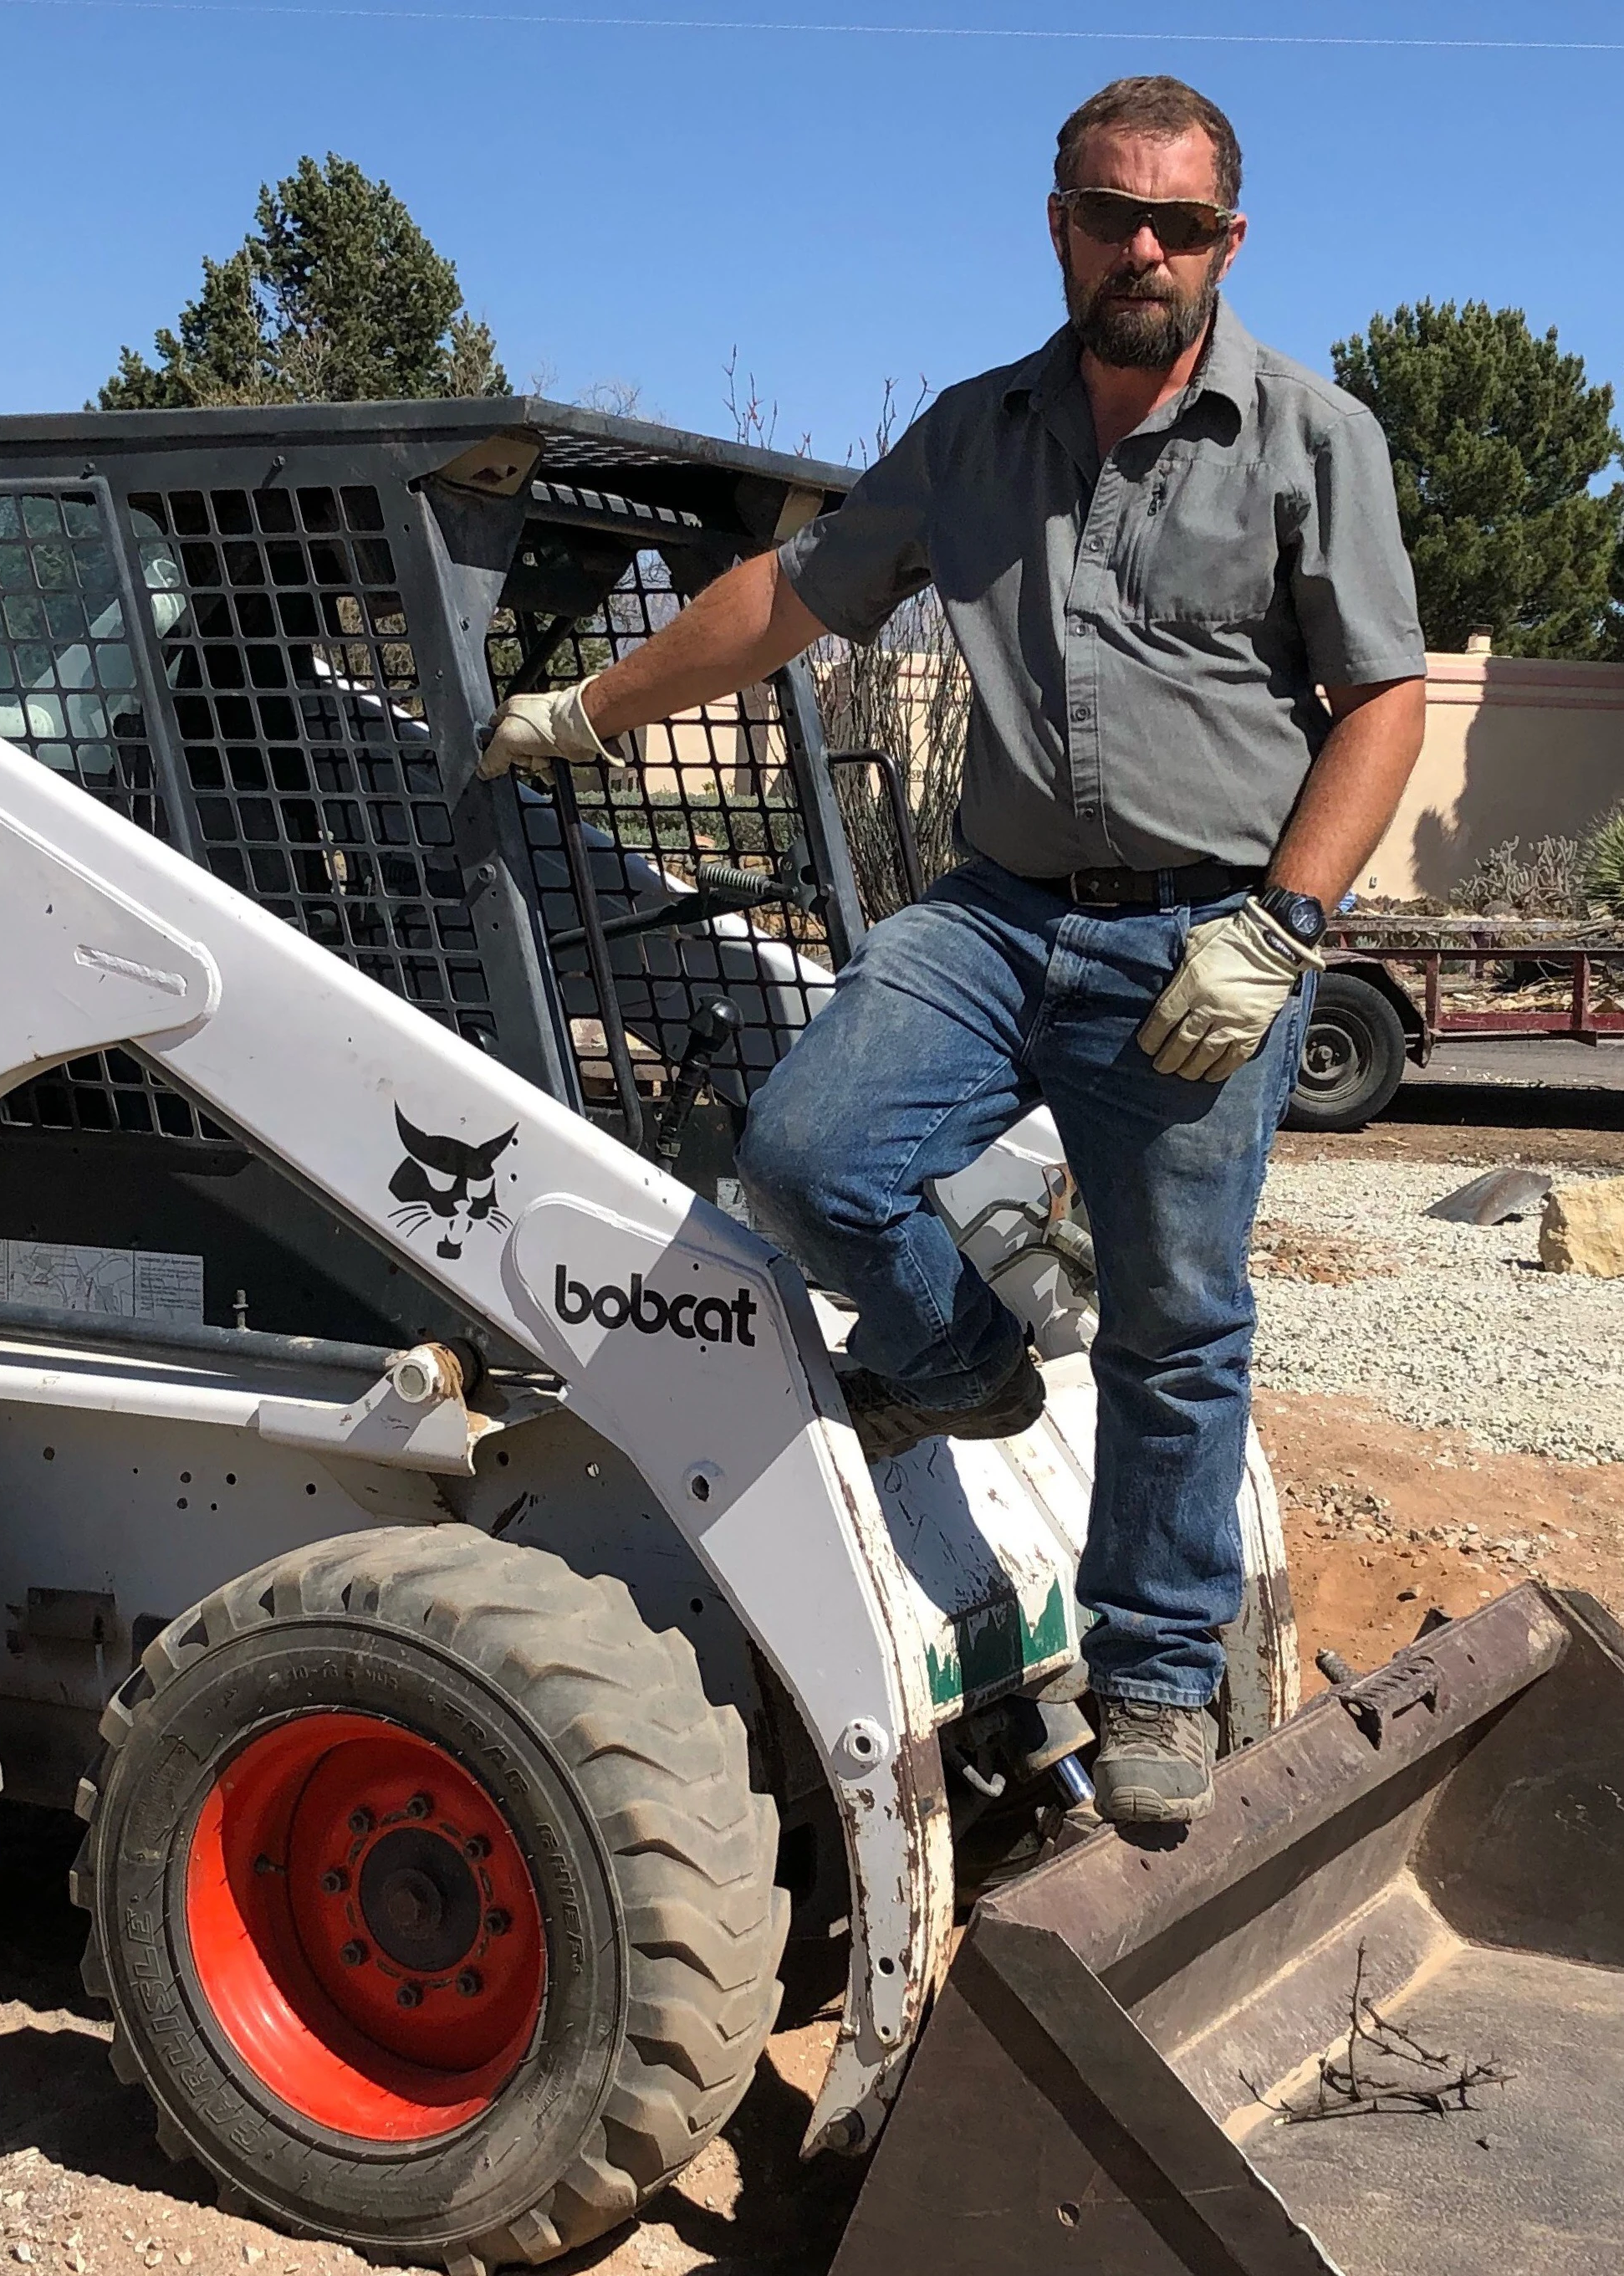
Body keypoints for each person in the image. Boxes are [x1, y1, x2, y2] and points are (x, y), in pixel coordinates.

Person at [480, 74, 1427, 1826]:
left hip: (1203, 933)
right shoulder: (976, 433)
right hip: (998, 915)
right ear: (1056, 223)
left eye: (1183, 224)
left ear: (1231, 240)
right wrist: (591, 710)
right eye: (1112, 214)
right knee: (805, 1155)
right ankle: (959, 1365)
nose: (1146, 250)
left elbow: (1379, 703)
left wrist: (1285, 923)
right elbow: (798, 596)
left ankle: (1153, 1678)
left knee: (1177, 1324)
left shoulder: (1314, 438)